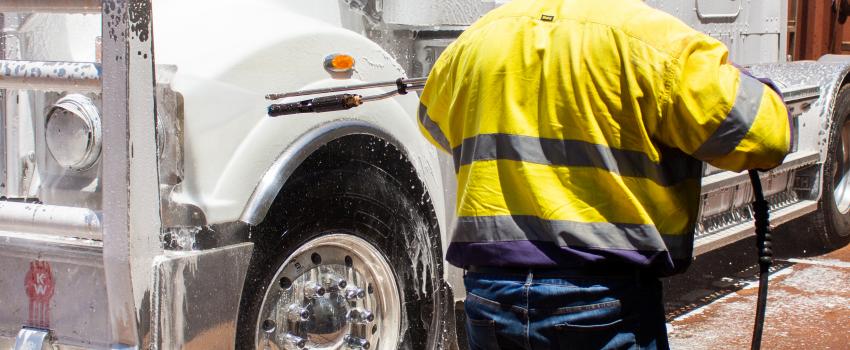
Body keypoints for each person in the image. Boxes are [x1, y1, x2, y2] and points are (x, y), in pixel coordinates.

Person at [416, 0, 791, 349]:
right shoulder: (652, 39)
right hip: (602, 297)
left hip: (491, 295)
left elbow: (434, 123)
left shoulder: (477, 39)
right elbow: (767, 137)